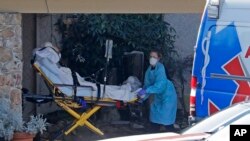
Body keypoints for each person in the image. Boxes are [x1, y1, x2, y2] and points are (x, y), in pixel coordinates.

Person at [33, 42, 141, 102]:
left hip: (76, 86)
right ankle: (128, 94)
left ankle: (126, 89)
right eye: (56, 50)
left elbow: (68, 78)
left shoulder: (54, 68)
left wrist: (81, 81)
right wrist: (82, 82)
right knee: (102, 90)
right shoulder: (54, 68)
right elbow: (68, 81)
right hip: (75, 89)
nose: (58, 51)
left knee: (103, 88)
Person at [137, 49, 177, 132]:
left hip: (168, 96)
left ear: (158, 58)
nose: (152, 58)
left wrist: (146, 91)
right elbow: (147, 85)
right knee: (154, 118)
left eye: (154, 57)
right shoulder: (149, 70)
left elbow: (160, 86)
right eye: (151, 56)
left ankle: (174, 137)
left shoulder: (160, 68)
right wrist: (142, 97)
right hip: (159, 96)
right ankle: (154, 135)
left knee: (167, 121)